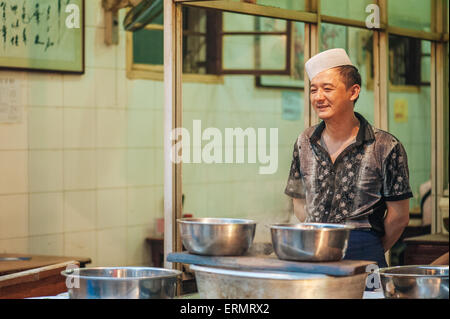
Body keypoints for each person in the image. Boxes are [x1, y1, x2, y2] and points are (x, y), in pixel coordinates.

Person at [284, 48, 413, 268]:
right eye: (313, 90)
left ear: (353, 92)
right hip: (314, 250)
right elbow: (299, 202)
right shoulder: (304, 141)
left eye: (327, 89)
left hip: (364, 248)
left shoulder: (386, 146)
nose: (318, 97)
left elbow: (399, 216)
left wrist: (370, 249)